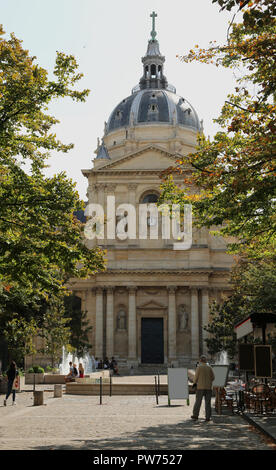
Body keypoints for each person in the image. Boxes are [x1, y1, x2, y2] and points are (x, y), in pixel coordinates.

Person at [191, 355, 215, 422]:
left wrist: (194, 383)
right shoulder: (209, 367)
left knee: (198, 401)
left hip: (200, 387)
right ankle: (208, 417)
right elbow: (213, 377)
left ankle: (195, 415)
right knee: (208, 402)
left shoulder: (199, 367)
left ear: (200, 361)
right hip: (208, 387)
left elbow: (196, 377)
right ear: (206, 361)